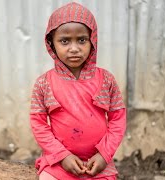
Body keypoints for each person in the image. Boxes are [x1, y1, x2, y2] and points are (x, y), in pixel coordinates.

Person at [30, 2, 126, 180]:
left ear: (92, 40)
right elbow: (38, 124)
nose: (74, 48)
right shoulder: (44, 83)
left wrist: (104, 155)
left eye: (81, 40)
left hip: (97, 164)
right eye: (64, 41)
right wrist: (61, 155)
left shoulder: (106, 80)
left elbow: (117, 120)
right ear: (51, 43)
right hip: (59, 163)